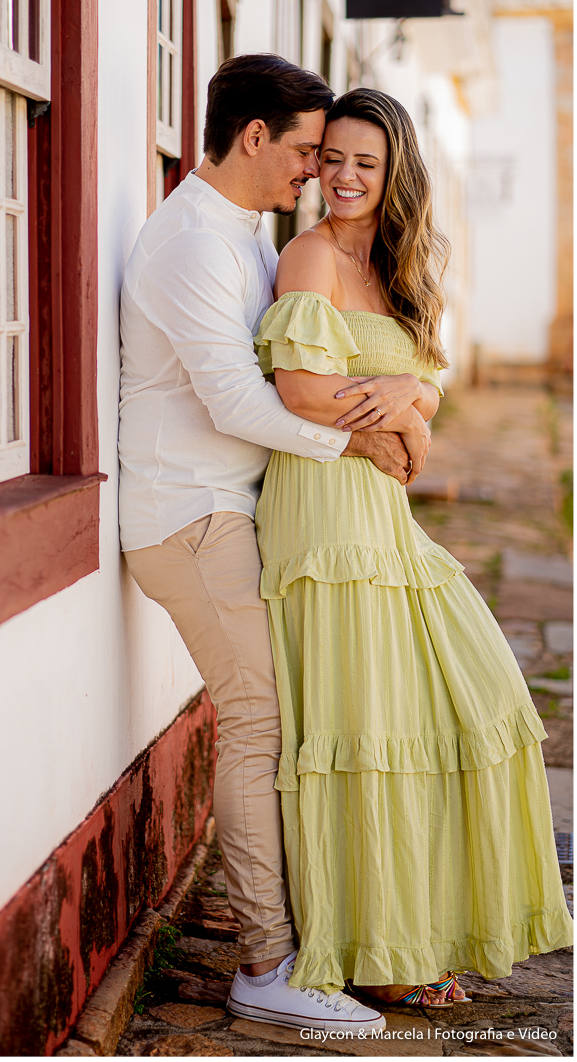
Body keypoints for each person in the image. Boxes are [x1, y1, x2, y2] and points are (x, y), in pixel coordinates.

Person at [253, 87, 573, 1010]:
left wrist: (410, 399)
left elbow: (426, 387)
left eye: (367, 162)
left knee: (464, 701)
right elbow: (304, 392)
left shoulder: (395, 267)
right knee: (363, 725)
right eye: (334, 159)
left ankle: (414, 924)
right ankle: (376, 952)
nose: (345, 177)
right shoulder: (307, 256)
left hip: (381, 516)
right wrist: (396, 408)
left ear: (395, 173)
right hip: (322, 515)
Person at [119, 55, 416, 1033]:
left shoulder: (242, 237)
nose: (310, 169)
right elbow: (238, 399)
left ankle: (309, 939)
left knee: (282, 722)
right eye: (300, 150)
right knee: (257, 723)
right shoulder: (192, 247)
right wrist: (359, 437)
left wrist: (400, 396)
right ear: (252, 137)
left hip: (232, 515)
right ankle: (265, 965)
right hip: (190, 517)